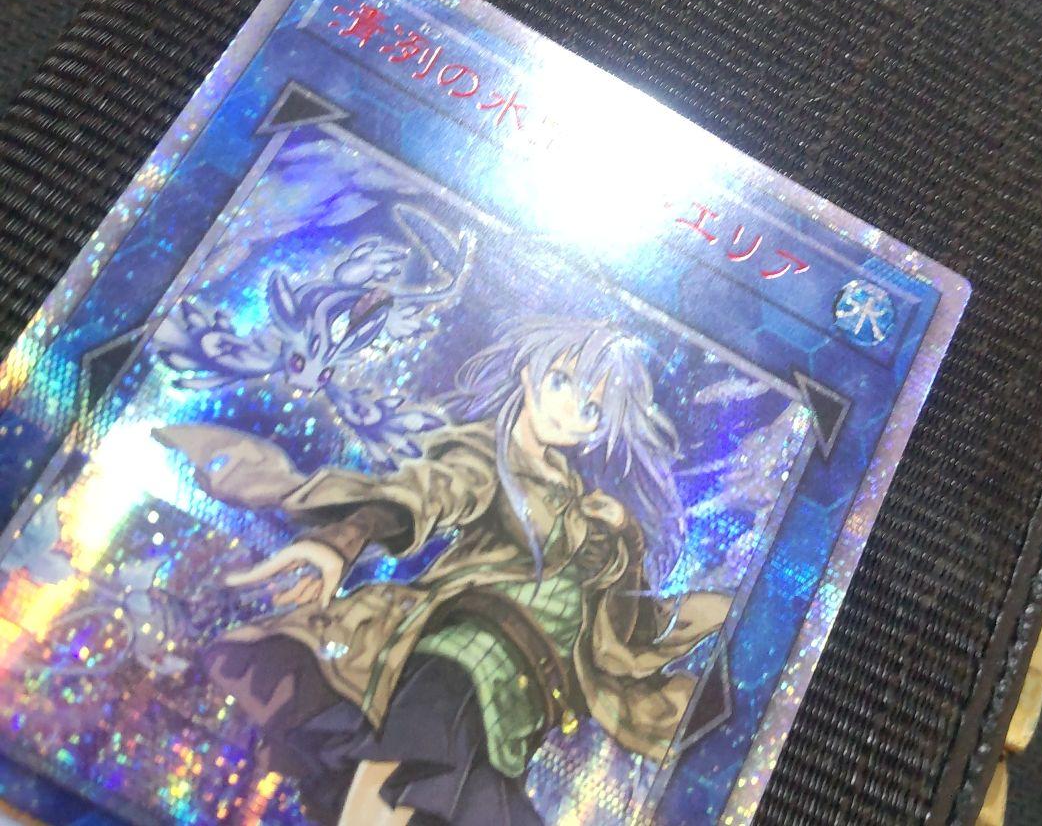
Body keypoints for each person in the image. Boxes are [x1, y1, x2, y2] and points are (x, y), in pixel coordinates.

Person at [156, 316, 731, 825]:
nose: (568, 411)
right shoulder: (488, 457)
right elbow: (433, 492)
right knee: (402, 771)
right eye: (561, 381)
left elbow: (620, 626)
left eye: (590, 410)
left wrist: (694, 594)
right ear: (529, 371)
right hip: (463, 659)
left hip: (520, 710)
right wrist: (345, 537)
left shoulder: (588, 505)